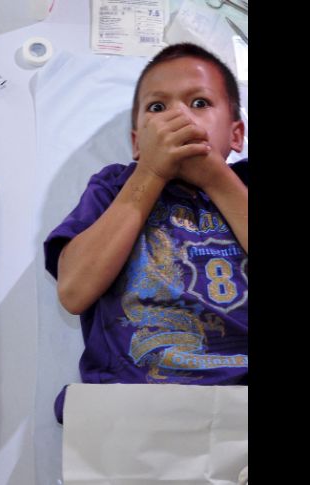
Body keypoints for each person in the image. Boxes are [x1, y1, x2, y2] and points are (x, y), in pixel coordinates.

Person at [43, 43, 248, 423]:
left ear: (236, 134)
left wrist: (217, 178)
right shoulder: (113, 187)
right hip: (131, 412)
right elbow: (73, 292)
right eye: (158, 107)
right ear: (138, 142)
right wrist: (150, 175)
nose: (179, 117)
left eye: (200, 103)